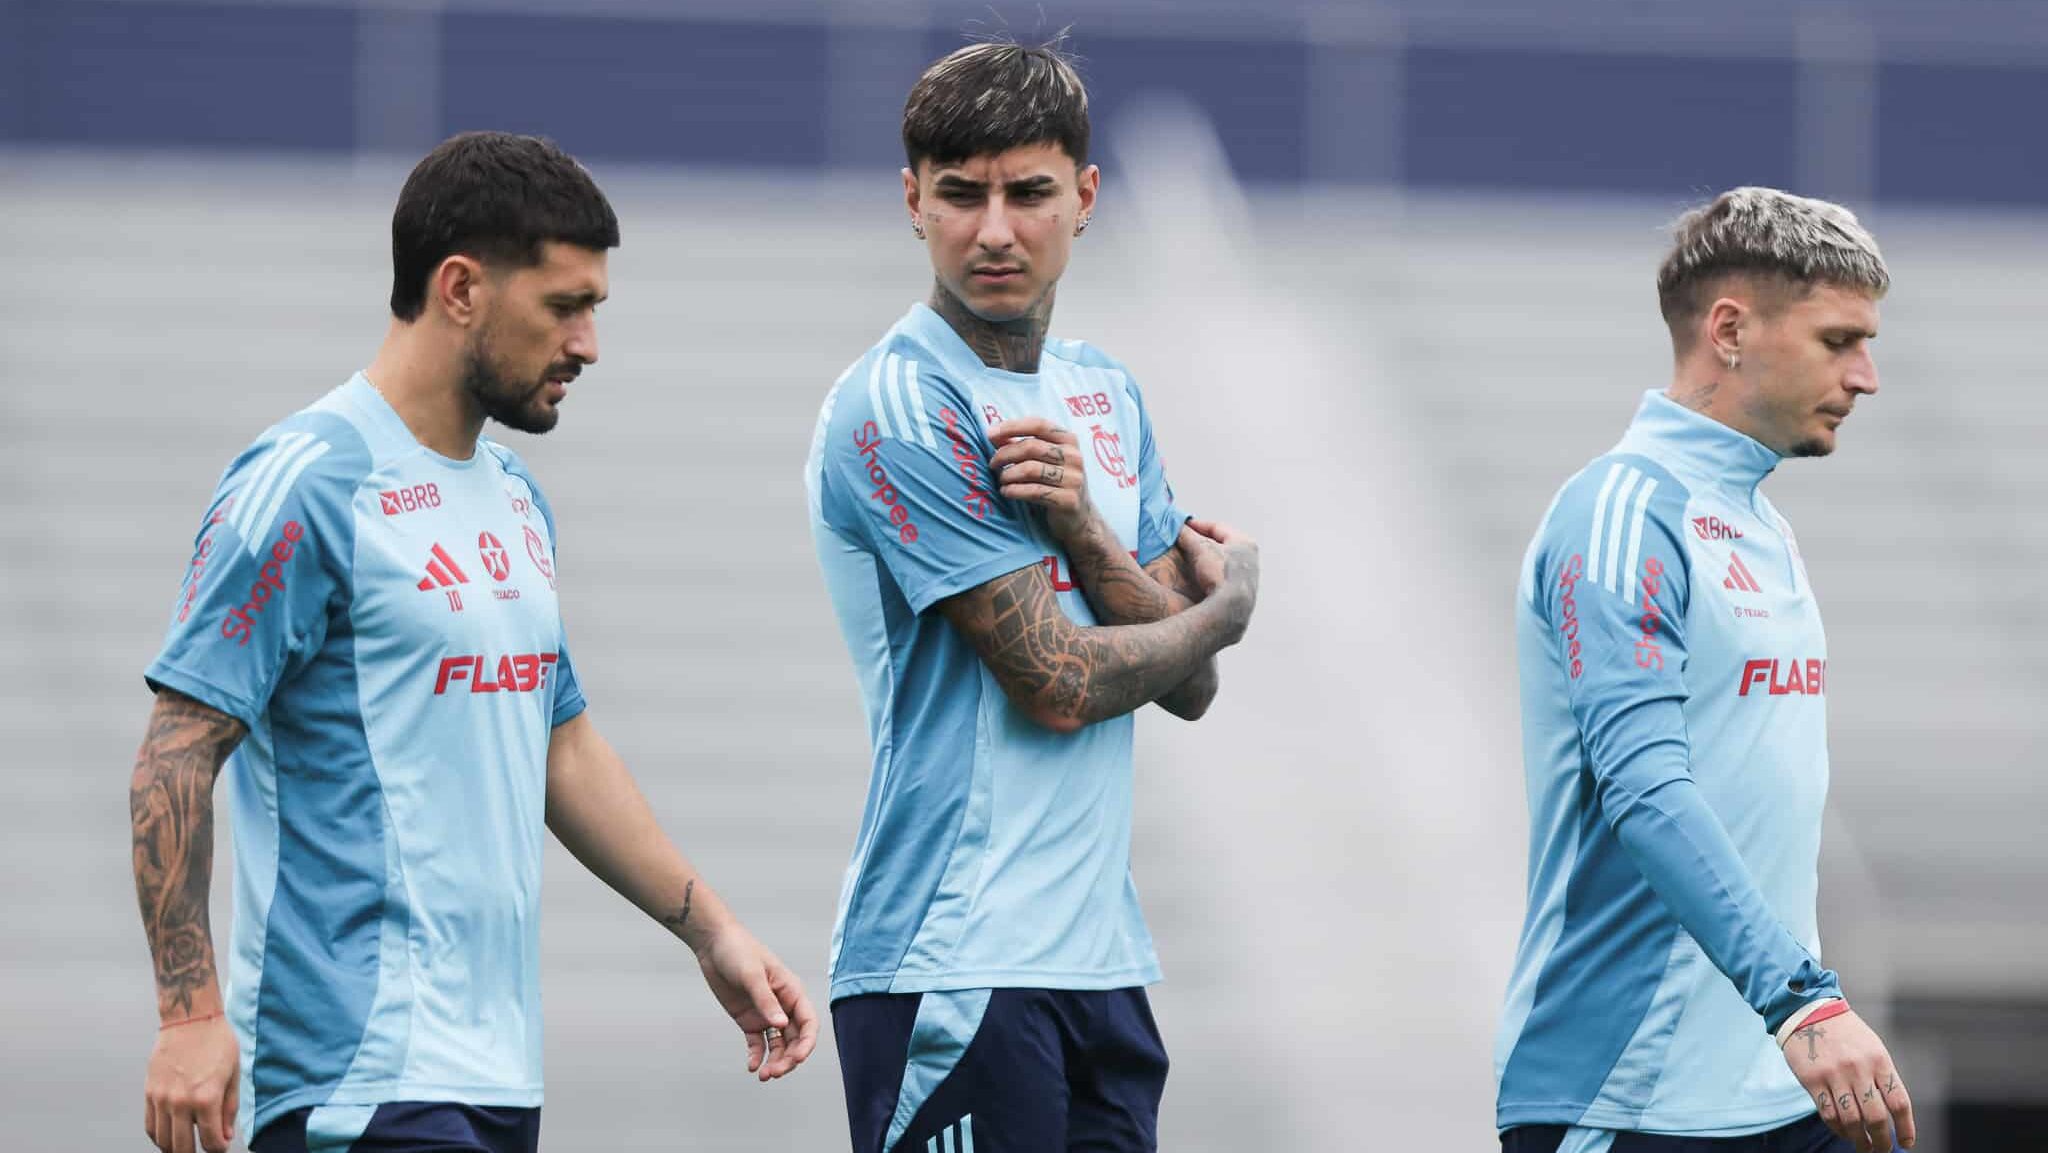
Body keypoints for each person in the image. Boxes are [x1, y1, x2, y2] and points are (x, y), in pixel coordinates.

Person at [129, 131, 817, 1153]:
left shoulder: (515, 498)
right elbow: (175, 753)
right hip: (354, 1079)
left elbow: (561, 743)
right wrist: (189, 1016)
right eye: (563, 305)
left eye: (593, 308)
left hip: (496, 1076)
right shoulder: (306, 483)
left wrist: (709, 928)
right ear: (458, 288)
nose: (587, 343)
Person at [803, 39, 1260, 1153]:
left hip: (1099, 961)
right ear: (911, 201)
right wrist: (1227, 607)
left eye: (1028, 192)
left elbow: (1185, 686)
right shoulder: (901, 404)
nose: (994, 229)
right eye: (960, 194)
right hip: (953, 960)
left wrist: (1083, 525)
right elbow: (1055, 680)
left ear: (1085, 198)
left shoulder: (1102, 393)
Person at [1495, 187, 1914, 1153]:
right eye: (1839, 340)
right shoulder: (1621, 513)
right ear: (1730, 328)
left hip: (1774, 1083)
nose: (1868, 376)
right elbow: (1644, 788)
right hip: (1627, 1092)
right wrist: (1804, 1001)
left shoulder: (1762, 523)